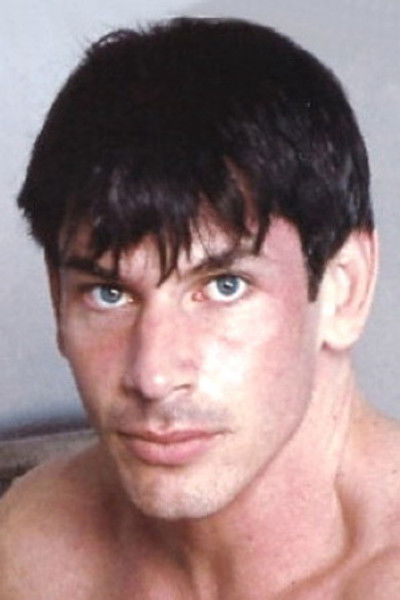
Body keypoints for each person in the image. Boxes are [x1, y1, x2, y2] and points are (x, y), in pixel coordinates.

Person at [1, 16, 399, 599]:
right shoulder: (30, 549)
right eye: (109, 294)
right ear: (57, 296)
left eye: (224, 286)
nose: (153, 376)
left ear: (345, 288)